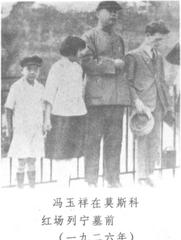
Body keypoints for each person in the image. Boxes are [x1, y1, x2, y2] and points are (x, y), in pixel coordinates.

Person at [81, 1, 130, 187]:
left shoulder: (119, 39)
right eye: (109, 11)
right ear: (97, 13)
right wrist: (112, 64)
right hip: (97, 99)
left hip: (116, 99)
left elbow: (123, 66)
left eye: (116, 12)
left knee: (115, 141)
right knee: (93, 141)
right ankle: (91, 181)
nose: (114, 15)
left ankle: (113, 179)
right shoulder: (88, 36)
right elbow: (86, 62)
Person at [125, 21, 172, 186]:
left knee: (155, 140)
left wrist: (168, 105)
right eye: (157, 39)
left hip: (158, 103)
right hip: (142, 105)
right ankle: (142, 176)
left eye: (161, 40)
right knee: (142, 139)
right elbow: (128, 82)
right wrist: (136, 101)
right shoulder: (133, 56)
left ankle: (150, 173)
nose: (159, 43)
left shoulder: (158, 56)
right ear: (147, 36)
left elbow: (162, 81)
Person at [43, 36, 87, 188]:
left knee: (71, 153)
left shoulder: (78, 67)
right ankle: (61, 184)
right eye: (81, 50)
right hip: (61, 116)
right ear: (73, 49)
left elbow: (80, 92)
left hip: (77, 115)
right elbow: (49, 94)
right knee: (60, 153)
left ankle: (66, 183)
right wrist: (47, 119)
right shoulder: (57, 67)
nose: (82, 53)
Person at [5, 55, 44, 188]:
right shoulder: (16, 87)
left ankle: (32, 187)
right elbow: (8, 108)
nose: (32, 72)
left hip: (35, 128)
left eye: (36, 69)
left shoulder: (40, 87)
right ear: (23, 70)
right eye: (29, 69)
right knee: (21, 160)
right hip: (21, 129)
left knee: (33, 159)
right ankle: (20, 188)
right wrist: (9, 128)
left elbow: (43, 109)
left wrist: (44, 124)